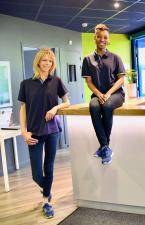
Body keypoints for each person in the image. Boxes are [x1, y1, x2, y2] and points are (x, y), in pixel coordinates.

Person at [18, 48, 70, 218]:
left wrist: (55, 108)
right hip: (33, 132)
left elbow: (66, 102)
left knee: (49, 167)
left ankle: (46, 201)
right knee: (36, 174)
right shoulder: (26, 84)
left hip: (52, 131)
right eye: (44, 60)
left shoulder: (56, 81)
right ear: (38, 62)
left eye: (50, 61)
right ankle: (47, 188)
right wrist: (24, 131)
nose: (47, 63)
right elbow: (23, 108)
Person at [81, 24, 125, 165]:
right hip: (97, 94)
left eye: (105, 37)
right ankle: (105, 147)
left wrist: (108, 93)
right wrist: (99, 93)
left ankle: (104, 146)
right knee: (93, 106)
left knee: (106, 106)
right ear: (94, 38)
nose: (102, 39)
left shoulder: (115, 58)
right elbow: (89, 82)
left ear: (108, 39)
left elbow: (121, 79)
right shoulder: (87, 59)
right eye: (99, 37)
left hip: (116, 94)